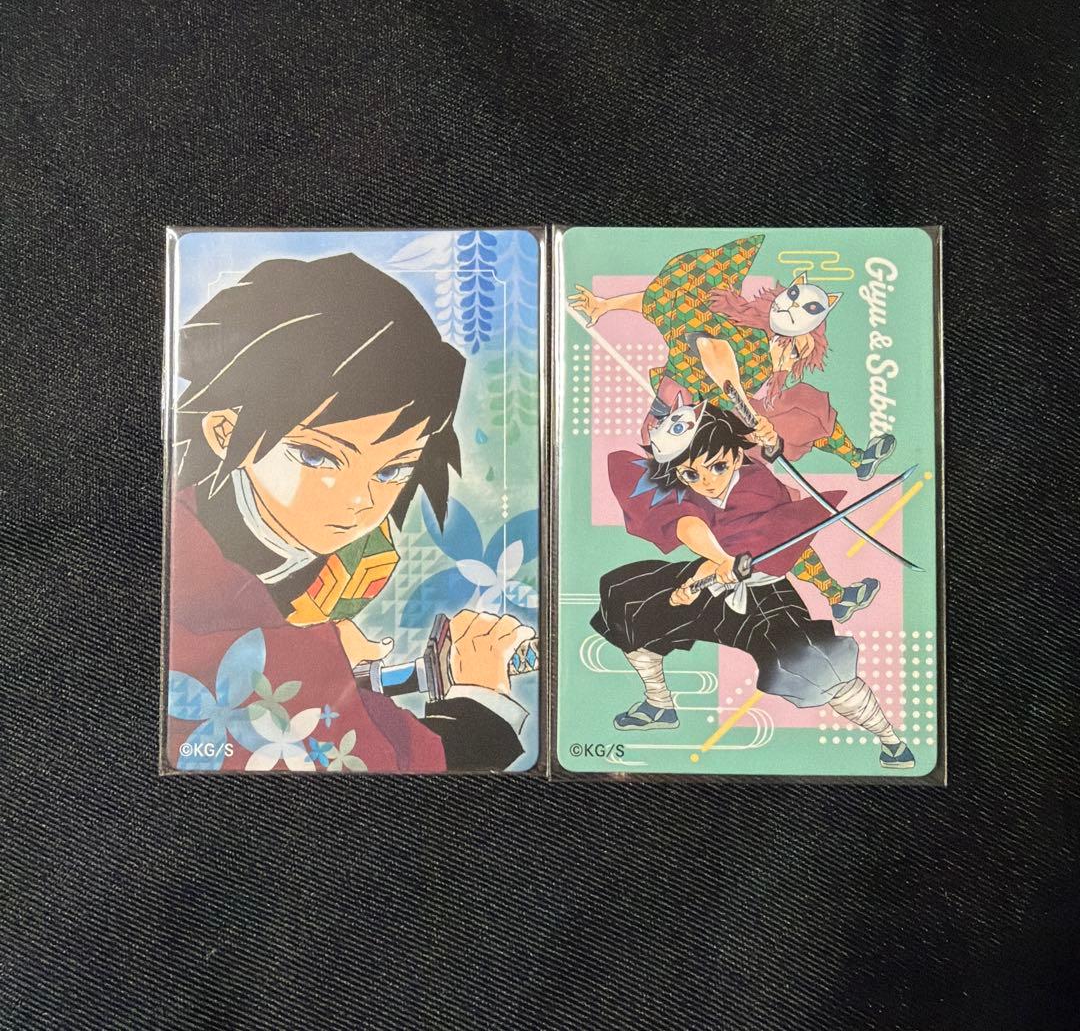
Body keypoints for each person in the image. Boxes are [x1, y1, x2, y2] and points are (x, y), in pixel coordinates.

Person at [166, 252, 533, 773]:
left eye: (392, 469)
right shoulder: (188, 561)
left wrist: (328, 651)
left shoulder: (358, 557)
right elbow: (393, 763)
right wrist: (479, 695)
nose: (358, 499)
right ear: (225, 431)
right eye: (316, 457)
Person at [570, 236, 890, 622]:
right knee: (755, 516)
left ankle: (856, 466)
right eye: (793, 299)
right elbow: (698, 337)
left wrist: (760, 432)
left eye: (798, 346)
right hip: (686, 426)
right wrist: (605, 306)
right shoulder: (732, 325)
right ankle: (833, 590)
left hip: (723, 429)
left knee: (797, 422)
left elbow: (660, 306)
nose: (788, 352)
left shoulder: (770, 347)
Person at [594, 403, 914, 770]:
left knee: (811, 660)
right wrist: (708, 570)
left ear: (735, 455)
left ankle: (890, 740)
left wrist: (770, 440)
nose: (707, 480)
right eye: (692, 474)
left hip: (764, 596)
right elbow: (686, 523)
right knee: (626, 596)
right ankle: (658, 704)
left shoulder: (756, 483)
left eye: (717, 466)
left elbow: (760, 515)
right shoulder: (684, 490)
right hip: (713, 582)